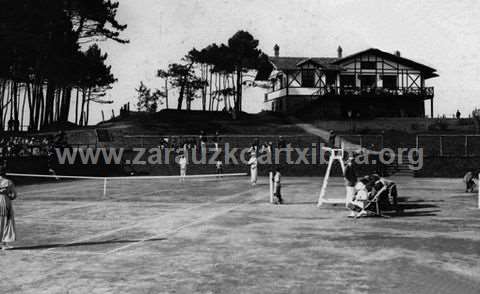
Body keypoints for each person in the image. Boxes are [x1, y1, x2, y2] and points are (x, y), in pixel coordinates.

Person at [0, 164, 17, 250]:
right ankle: (3, 243)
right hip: (4, 202)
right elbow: (14, 195)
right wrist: (9, 194)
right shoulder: (8, 182)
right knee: (5, 222)